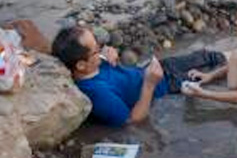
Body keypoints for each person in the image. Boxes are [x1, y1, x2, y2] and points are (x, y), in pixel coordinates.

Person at [50, 25, 226, 127]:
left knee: (207, 56)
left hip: (156, 69)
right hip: (166, 85)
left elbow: (107, 60)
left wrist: (108, 52)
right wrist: (149, 84)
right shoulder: (98, 93)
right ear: (81, 65)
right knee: (215, 77)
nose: (101, 49)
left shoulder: (92, 64)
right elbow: (132, 120)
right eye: (96, 49)